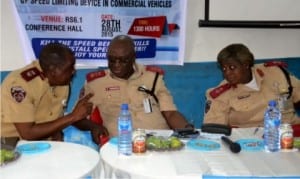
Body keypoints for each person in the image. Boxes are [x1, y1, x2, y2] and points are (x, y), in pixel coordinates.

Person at [80, 35, 193, 136]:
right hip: (123, 144)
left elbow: (170, 113)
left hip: (160, 140)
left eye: (123, 60)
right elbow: (77, 117)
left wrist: (188, 130)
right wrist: (94, 127)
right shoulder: (95, 83)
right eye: (112, 60)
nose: (117, 65)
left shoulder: (153, 77)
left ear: (133, 57)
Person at [1, 42, 108, 147]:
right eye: (70, 68)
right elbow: (28, 133)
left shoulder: (62, 82)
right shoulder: (20, 85)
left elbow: (54, 119)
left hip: (41, 145)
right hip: (9, 146)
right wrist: (73, 116)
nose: (73, 72)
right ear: (53, 70)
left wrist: (57, 133)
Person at [204, 43, 300, 128]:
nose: (227, 73)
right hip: (251, 140)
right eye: (224, 69)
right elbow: (214, 129)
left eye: (232, 67)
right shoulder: (221, 95)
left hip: (290, 130)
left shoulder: (276, 72)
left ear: (246, 65)